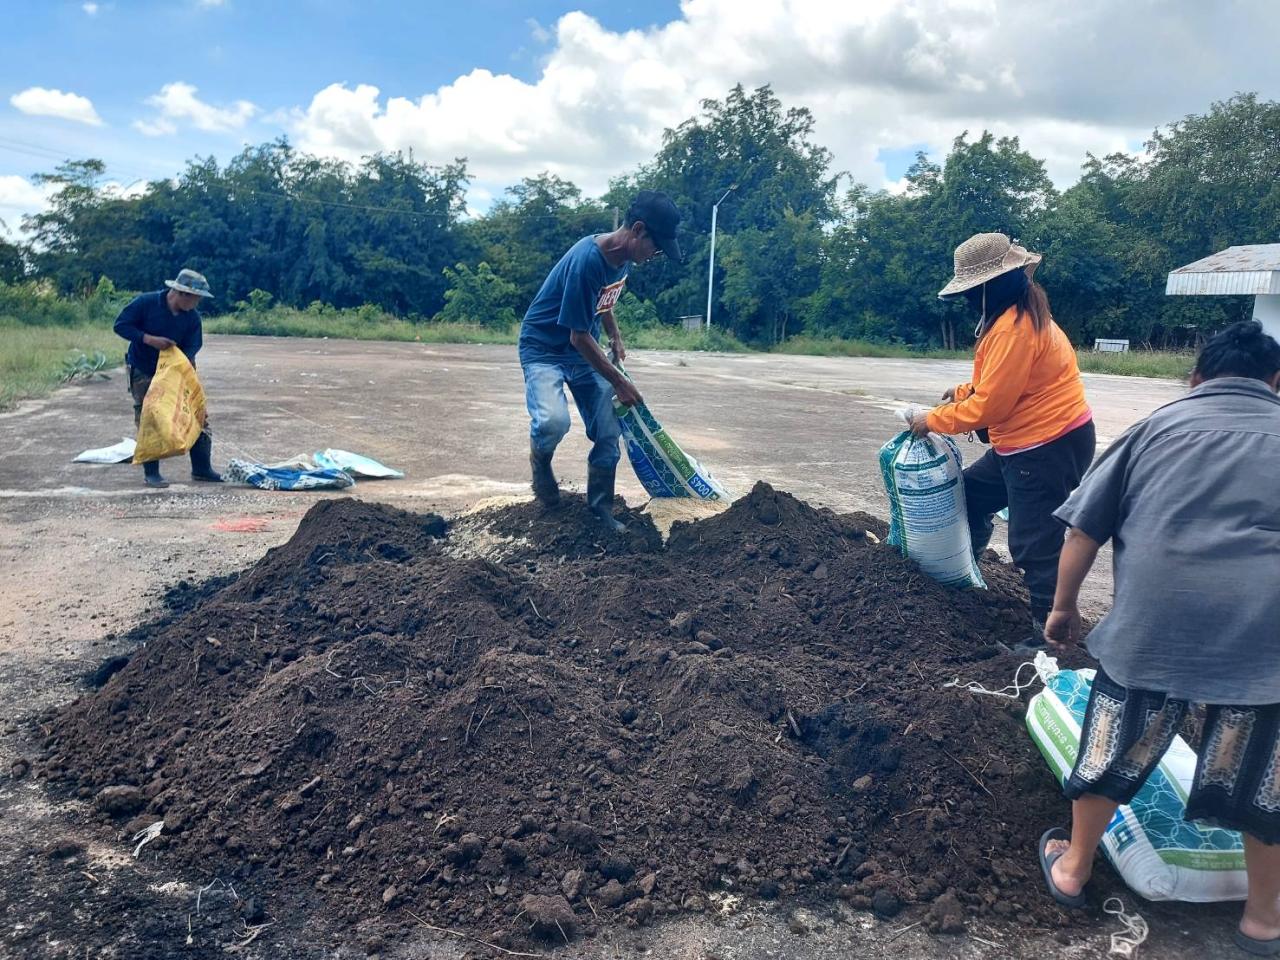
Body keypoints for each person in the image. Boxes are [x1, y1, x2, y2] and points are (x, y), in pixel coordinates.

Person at [1038, 320, 1280, 956]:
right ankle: (1262, 919)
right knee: (1265, 782)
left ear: (1195, 379)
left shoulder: (1154, 429)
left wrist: (1063, 611)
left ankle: (1072, 869)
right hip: (1265, 648)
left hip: (1152, 637)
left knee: (1109, 754)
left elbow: (1083, 531)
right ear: (1276, 382)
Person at [909, 232, 1094, 648]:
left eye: (974, 291)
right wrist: (962, 392)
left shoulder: (1015, 327)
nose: (970, 299)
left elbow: (991, 408)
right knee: (970, 497)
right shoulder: (1013, 315)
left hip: (1046, 444)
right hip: (1027, 441)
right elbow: (1001, 381)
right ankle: (964, 578)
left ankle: (1051, 638)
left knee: (1034, 543)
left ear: (991, 286)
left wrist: (933, 420)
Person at [519, 190, 683, 531]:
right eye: (656, 246)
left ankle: (600, 508)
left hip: (582, 347)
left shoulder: (623, 260)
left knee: (609, 430)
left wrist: (615, 335)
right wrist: (620, 382)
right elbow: (577, 336)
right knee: (552, 422)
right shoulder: (587, 262)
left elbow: (604, 302)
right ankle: (540, 461)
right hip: (545, 348)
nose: (655, 255)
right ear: (638, 230)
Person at [113, 268, 222, 488]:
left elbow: (193, 346)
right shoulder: (146, 303)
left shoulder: (192, 318)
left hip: (175, 371)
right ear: (181, 293)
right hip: (144, 368)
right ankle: (151, 473)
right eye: (196, 299)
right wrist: (149, 339)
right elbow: (121, 325)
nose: (197, 304)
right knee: (150, 415)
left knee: (196, 414)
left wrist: (187, 370)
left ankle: (201, 468)